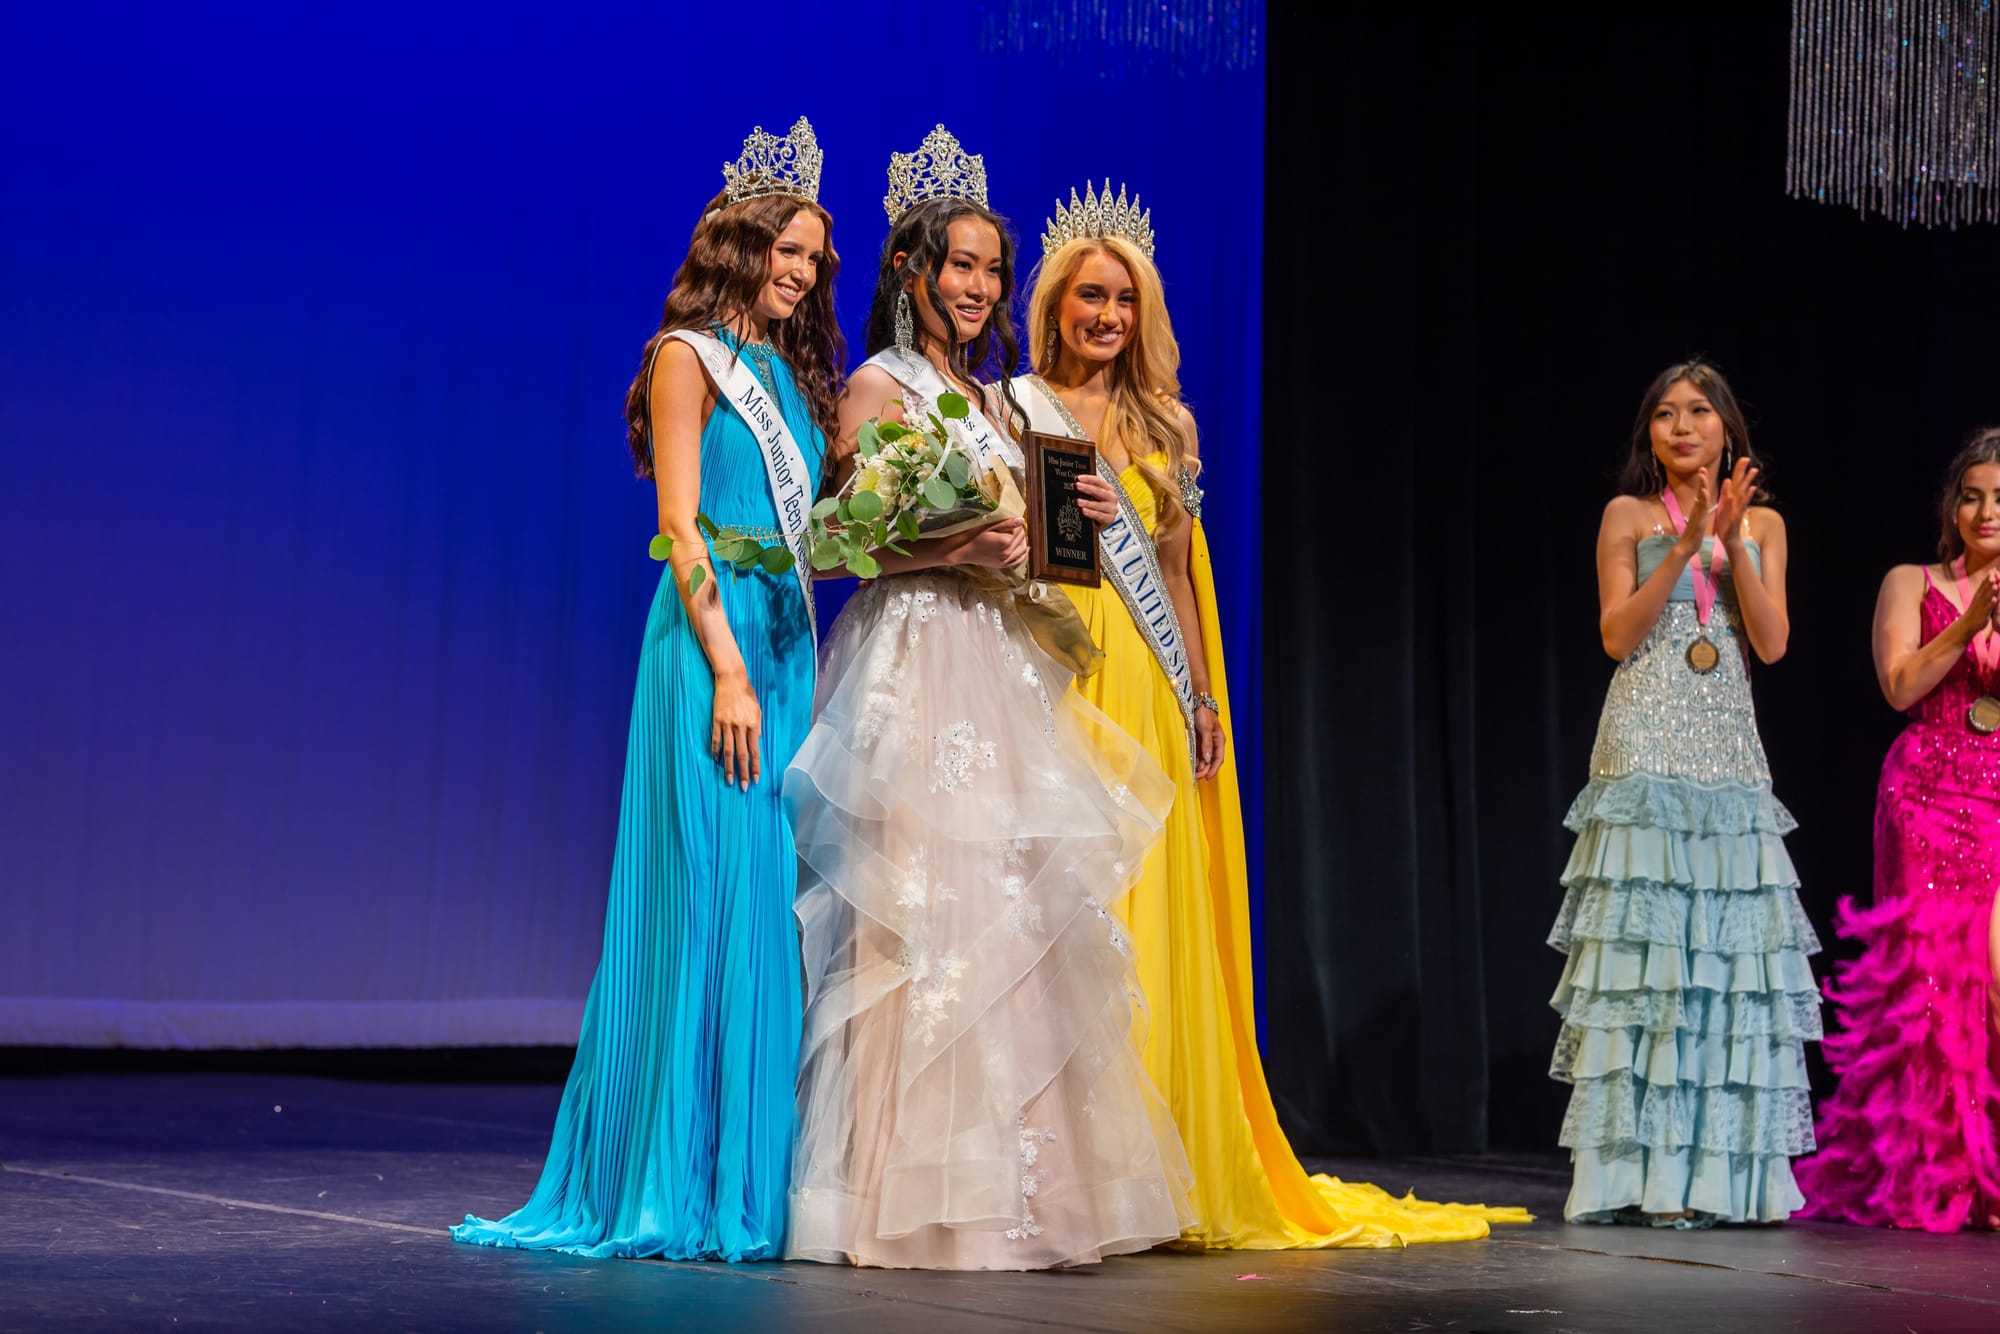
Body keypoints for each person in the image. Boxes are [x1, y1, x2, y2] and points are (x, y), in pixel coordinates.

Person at [1017, 182, 1527, 1246]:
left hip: (1143, 681)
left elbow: (1175, 570)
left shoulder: (1168, 423)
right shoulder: (1012, 407)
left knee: (1148, 909)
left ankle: (1161, 1171)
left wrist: (1202, 695)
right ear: (1056, 303)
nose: (1107, 315)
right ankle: (1067, 1174)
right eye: (1090, 296)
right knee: (1064, 906)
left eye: (1123, 299)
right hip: (1055, 671)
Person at [784, 128, 1192, 1269]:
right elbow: (837, 547)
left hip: (995, 658)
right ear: (910, 269)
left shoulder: (999, 401)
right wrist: (958, 542)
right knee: (918, 913)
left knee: (1007, 917)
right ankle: (901, 1198)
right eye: (958, 265)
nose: (976, 287)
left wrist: (1082, 526)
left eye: (989, 270)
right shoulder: (880, 385)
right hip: (914, 659)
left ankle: (1020, 1200)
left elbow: (1039, 554)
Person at [452, 118, 840, 1261]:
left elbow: (799, 530)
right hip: (710, 654)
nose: (798, 271)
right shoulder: (687, 356)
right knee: (706, 895)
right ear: (739, 244)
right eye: (783, 248)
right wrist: (726, 669)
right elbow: (680, 527)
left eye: (812, 257)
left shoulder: (790, 378)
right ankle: (668, 1183)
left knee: (766, 907)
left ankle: (745, 1184)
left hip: (782, 646)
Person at [1547, 359, 1818, 1226]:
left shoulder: (1764, 523)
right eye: (1666, 414)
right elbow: (1616, 635)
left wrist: (1729, 542)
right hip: (1643, 745)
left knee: (1725, 970)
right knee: (1650, 966)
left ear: (1727, 429)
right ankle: (1643, 1182)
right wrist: (1685, 539)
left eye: (1700, 411)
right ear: (1650, 434)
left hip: (1728, 753)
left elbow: (1772, 643)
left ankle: (1716, 1184)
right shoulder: (1627, 515)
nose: (1683, 426)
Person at [1796, 429, 2000, 1232]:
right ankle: (1940, 1177)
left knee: (1993, 978)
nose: (1986, 511)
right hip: (1927, 790)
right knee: (1932, 986)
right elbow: (1900, 685)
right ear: (1952, 508)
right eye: (1972, 496)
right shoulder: (1911, 581)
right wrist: (1969, 621)